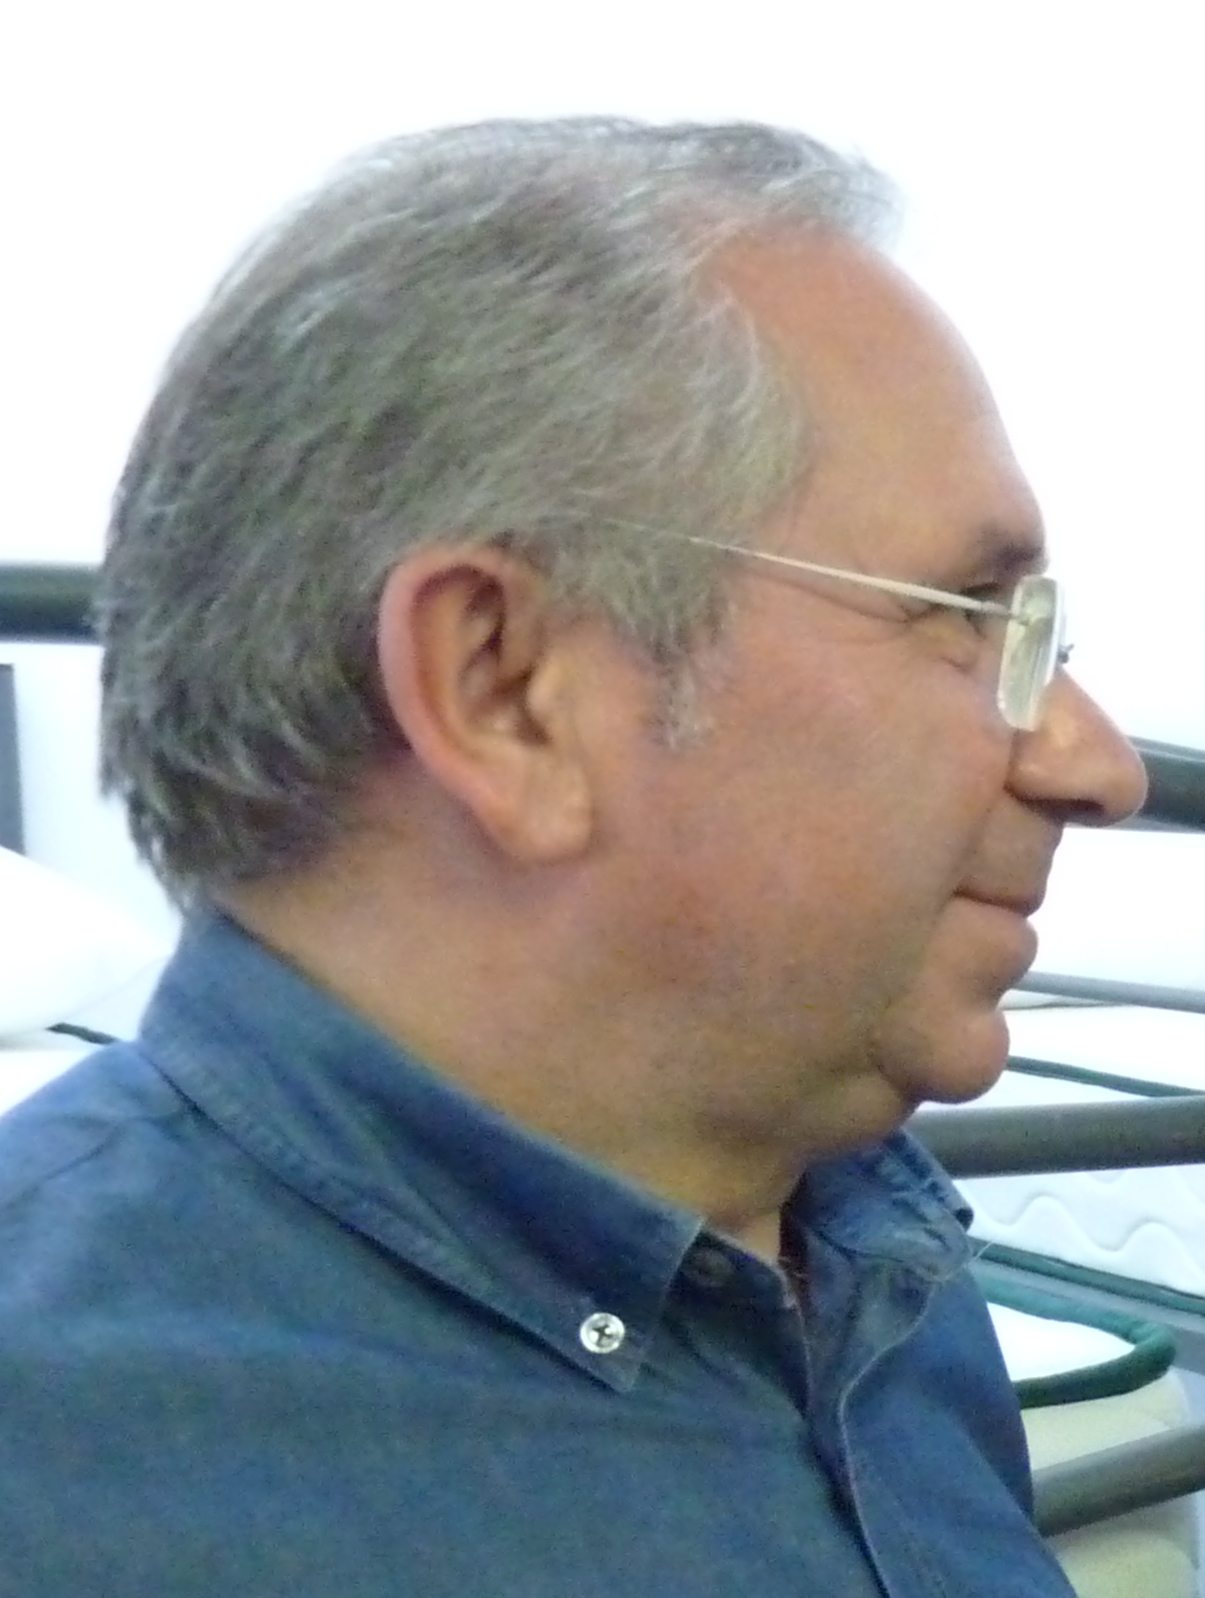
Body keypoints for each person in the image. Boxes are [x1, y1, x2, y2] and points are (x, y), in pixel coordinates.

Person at [0, 118, 1146, 1596]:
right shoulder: (55, 1463)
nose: (1098, 767)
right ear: (505, 688)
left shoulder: (869, 1261)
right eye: (969, 616)